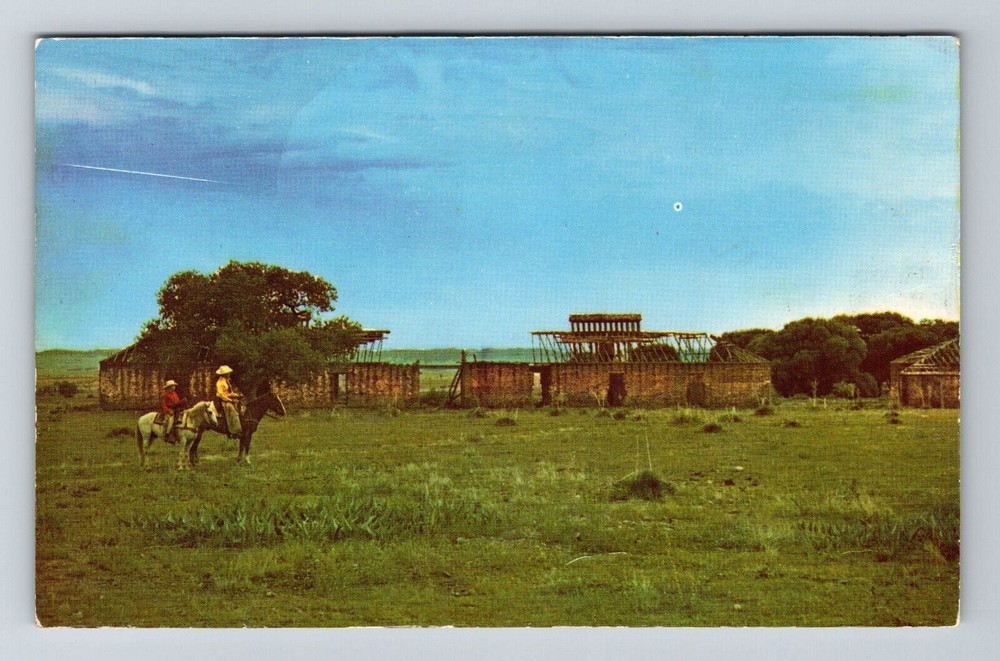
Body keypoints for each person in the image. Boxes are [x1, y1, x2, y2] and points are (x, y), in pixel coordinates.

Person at [214, 365, 243, 438]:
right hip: (223, 400)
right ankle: (235, 431)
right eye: (228, 373)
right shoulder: (219, 383)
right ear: (224, 374)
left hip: (228, 398)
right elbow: (221, 395)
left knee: (241, 405)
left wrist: (237, 395)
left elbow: (229, 392)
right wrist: (231, 400)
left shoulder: (227, 381)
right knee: (231, 409)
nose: (229, 374)